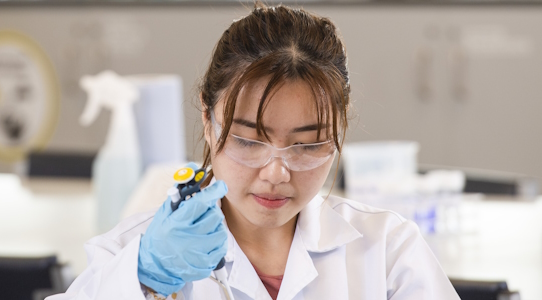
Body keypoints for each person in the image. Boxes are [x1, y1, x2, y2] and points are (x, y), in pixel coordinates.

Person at [46, 4, 460, 300]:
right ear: (208, 121)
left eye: (307, 145)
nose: (277, 172)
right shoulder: (133, 255)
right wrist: (143, 278)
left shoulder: (387, 251)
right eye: (248, 140)